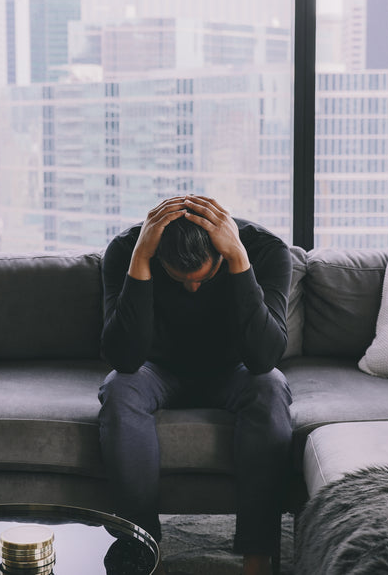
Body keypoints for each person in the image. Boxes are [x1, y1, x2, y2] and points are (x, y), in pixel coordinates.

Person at [98, 195, 293, 575]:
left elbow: (264, 357)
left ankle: (258, 556)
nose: (192, 289)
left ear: (221, 253)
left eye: (202, 278)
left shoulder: (265, 251)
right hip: (155, 370)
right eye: (179, 279)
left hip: (234, 370)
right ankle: (139, 548)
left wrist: (239, 261)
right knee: (119, 390)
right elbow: (124, 359)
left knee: (270, 387)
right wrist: (140, 262)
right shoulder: (126, 250)